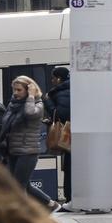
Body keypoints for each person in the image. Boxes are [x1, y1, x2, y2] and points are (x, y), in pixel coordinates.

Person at [0, 76, 52, 205]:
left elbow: (29, 113)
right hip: (12, 150)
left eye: (19, 90)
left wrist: (31, 96)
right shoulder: (13, 105)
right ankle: (50, 204)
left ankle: (21, 216)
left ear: (29, 90)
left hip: (28, 151)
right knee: (20, 184)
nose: (15, 93)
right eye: (14, 90)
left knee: (18, 186)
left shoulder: (37, 104)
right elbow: (5, 122)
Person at [47, 67, 72, 203]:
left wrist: (48, 102)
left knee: (69, 167)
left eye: (53, 78)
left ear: (58, 79)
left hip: (69, 136)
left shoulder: (61, 93)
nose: (52, 81)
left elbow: (60, 114)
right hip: (74, 134)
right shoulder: (72, 89)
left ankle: (70, 198)